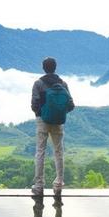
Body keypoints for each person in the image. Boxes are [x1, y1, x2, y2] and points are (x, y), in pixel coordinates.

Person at [30, 57, 74, 197]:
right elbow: (71, 105)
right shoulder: (63, 84)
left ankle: (39, 185)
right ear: (55, 67)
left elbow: (34, 105)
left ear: (43, 68)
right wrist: (59, 113)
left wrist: (42, 113)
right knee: (58, 152)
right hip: (58, 122)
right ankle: (58, 185)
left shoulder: (38, 84)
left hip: (42, 121)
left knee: (40, 151)